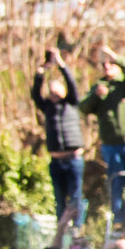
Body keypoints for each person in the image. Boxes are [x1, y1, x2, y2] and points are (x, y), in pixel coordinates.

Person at [80, 43, 125, 225]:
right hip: (111, 144)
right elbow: (84, 108)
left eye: (110, 63)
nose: (107, 66)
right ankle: (118, 220)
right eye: (104, 64)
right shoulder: (99, 86)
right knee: (116, 182)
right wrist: (96, 96)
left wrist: (115, 56)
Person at [32, 48, 85, 230]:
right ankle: (61, 229)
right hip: (56, 160)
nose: (53, 94)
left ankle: (77, 229)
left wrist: (61, 64)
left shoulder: (71, 102)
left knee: (76, 196)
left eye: (56, 91)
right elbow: (35, 94)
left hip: (73, 158)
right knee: (59, 197)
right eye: (51, 91)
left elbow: (72, 84)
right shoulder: (47, 107)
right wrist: (42, 71)